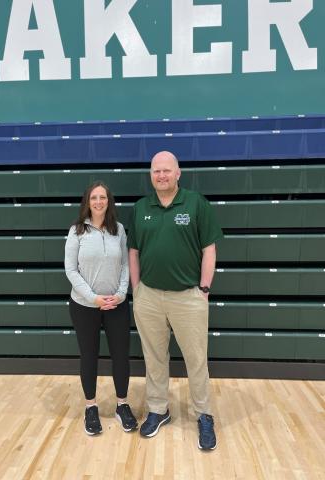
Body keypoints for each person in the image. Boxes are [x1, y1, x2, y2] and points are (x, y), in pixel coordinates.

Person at [128, 151, 223, 450]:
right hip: (149, 297)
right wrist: (137, 289)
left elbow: (209, 248)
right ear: (151, 175)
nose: (161, 176)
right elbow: (133, 251)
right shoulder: (142, 207)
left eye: (167, 171)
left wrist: (204, 289)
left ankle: (203, 414)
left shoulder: (196, 203)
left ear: (178, 173)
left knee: (196, 359)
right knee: (154, 358)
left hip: (188, 297)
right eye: (156, 171)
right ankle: (158, 409)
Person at [65, 181, 138, 436]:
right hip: (85, 306)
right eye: (94, 197)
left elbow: (127, 266)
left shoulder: (118, 229)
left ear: (109, 201)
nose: (98, 202)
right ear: (87, 201)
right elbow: (71, 270)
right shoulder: (76, 231)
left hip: (116, 305)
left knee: (121, 356)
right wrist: (94, 297)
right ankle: (90, 407)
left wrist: (119, 294)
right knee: (89, 356)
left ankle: (122, 405)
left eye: (103, 197)